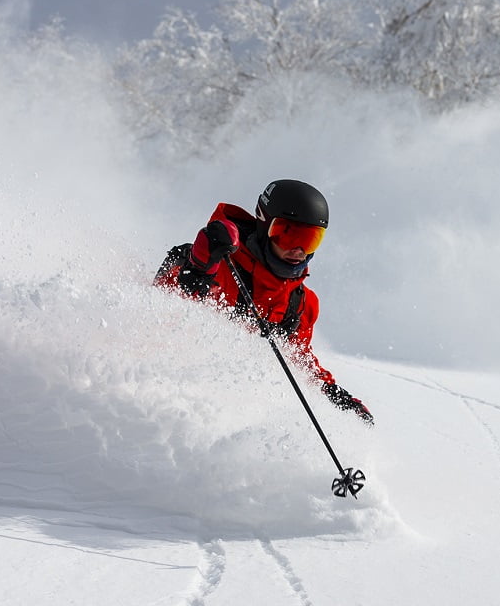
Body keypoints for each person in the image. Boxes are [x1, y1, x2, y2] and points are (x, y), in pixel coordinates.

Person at [154, 179, 374, 425]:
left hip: (232, 412)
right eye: (289, 236)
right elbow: (159, 306)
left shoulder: (301, 303)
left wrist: (331, 392)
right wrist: (198, 267)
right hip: (169, 394)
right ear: (264, 225)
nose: (299, 250)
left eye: (310, 239)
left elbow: (298, 357)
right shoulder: (222, 263)